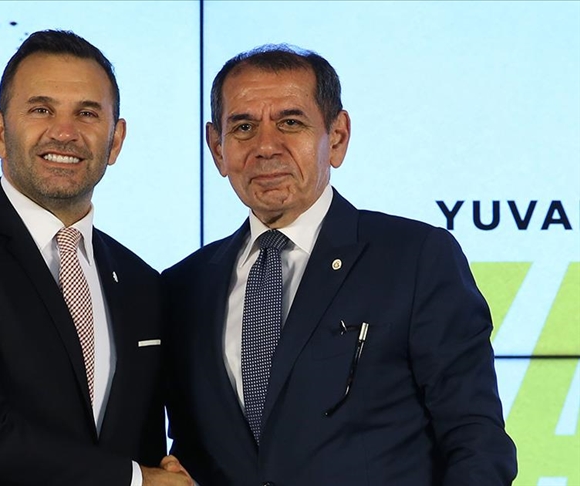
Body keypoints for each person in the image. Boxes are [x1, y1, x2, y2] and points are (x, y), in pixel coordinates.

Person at [163, 45, 518, 485]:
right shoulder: (183, 287)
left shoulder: (415, 258)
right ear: (217, 148)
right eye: (244, 127)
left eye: (290, 123)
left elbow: (476, 441)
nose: (265, 147)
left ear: (336, 137)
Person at [0, 30, 191, 485]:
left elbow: (142, 444)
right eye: (41, 109)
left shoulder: (141, 282)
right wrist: (136, 480)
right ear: (0, 131)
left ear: (116, 140)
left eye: (87, 113)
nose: (64, 132)